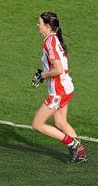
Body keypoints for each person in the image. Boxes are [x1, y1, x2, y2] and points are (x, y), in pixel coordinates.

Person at [31, 11, 88, 163]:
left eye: (40, 23)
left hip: (58, 92)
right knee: (60, 122)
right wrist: (44, 74)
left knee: (37, 124)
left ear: (48, 26)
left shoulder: (49, 42)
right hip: (66, 87)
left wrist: (42, 75)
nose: (38, 26)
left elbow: (58, 69)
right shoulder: (55, 39)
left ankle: (73, 144)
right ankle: (80, 152)